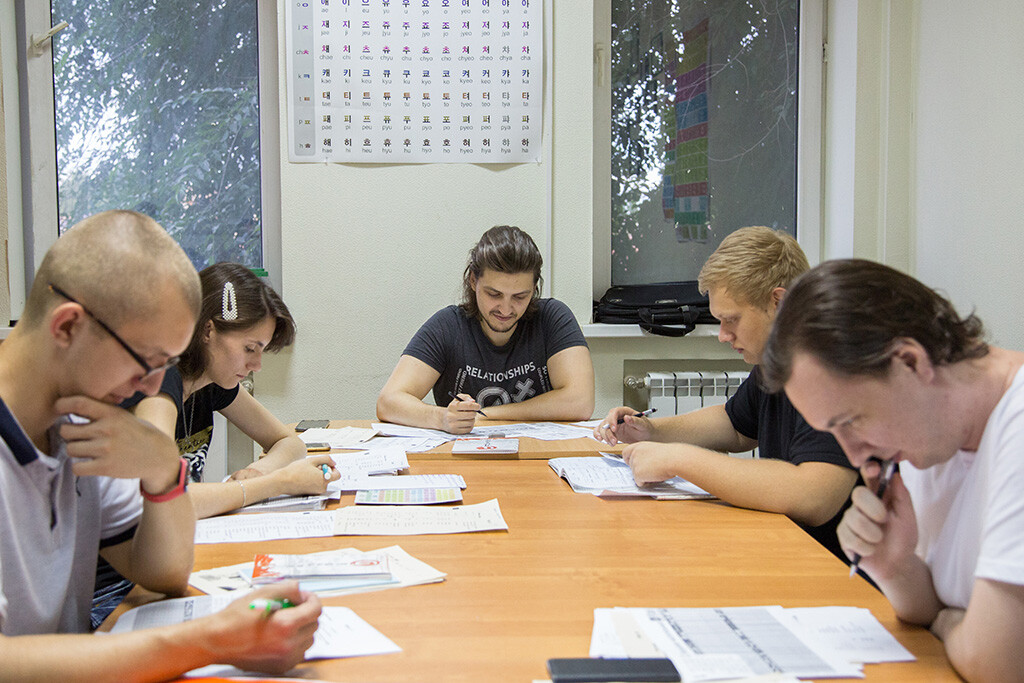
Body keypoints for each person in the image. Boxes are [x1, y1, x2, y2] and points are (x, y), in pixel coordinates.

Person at [0, 210, 320, 679]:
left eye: (166, 364)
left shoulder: (79, 423)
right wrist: (210, 641)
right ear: (67, 327)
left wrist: (164, 472)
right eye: (146, 361)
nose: (151, 388)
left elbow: (163, 573)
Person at [760, 259, 1024, 682]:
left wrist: (945, 623)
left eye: (851, 421)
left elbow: (997, 662)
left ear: (909, 361)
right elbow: (929, 607)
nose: (853, 455)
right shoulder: (928, 436)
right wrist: (893, 565)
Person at [92, 262, 339, 627]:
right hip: (117, 588)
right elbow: (162, 500)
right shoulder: (161, 384)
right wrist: (275, 483)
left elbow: (288, 442)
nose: (256, 364)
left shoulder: (213, 384)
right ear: (208, 330)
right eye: (250, 348)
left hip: (163, 563)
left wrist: (256, 471)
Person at [594, 227, 858, 561]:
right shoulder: (776, 359)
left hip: (835, 568)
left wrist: (678, 459)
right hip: (788, 545)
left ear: (779, 302)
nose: (723, 335)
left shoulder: (836, 366)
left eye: (731, 320)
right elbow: (735, 426)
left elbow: (814, 497)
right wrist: (652, 431)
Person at [377, 225, 595, 433]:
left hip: (540, 451)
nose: (506, 309)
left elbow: (580, 401)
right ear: (473, 281)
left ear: (534, 288)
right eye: (494, 294)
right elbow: (388, 402)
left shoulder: (552, 318)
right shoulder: (448, 326)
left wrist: (487, 415)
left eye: (520, 296)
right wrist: (442, 418)